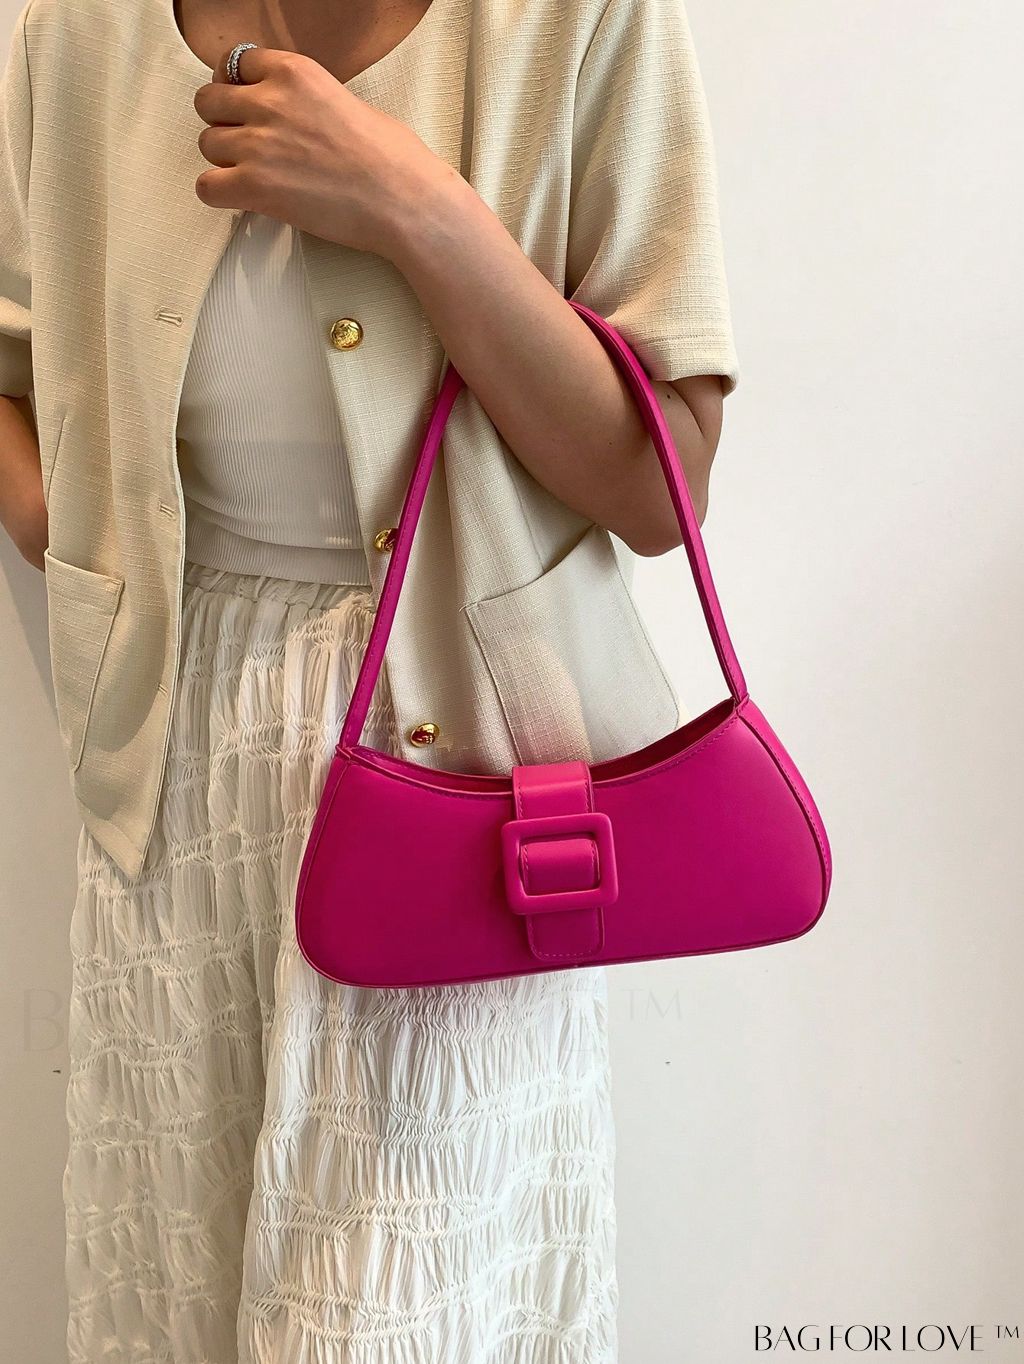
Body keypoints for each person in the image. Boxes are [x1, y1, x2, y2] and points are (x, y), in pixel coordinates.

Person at [0, 0, 739, 1358]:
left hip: (472, 787)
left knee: (401, 1314)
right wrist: (64, 520)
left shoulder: (580, 20)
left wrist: (418, 210)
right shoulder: (80, 31)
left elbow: (662, 486)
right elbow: (15, 360)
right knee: (179, 1296)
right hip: (171, 785)